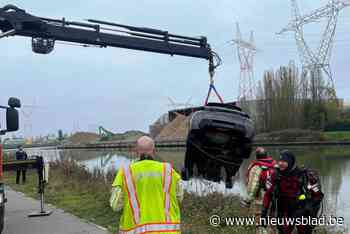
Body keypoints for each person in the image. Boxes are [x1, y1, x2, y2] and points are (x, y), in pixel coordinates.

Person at [110, 136, 183, 234]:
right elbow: (179, 197)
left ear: (136, 151)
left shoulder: (125, 172)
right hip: (168, 230)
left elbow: (116, 205)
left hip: (135, 229)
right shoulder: (168, 170)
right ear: (154, 150)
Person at [261, 150, 323, 234]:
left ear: (290, 162)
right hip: (284, 212)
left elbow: (318, 196)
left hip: (302, 213)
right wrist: (264, 213)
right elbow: (267, 195)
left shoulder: (304, 175)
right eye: (279, 161)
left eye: (284, 161)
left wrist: (307, 208)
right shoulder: (275, 176)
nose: (280, 163)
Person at [241, 147, 276, 234]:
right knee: (272, 223)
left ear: (256, 156)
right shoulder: (275, 165)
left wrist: (247, 201)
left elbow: (253, 187)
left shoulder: (256, 167)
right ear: (267, 155)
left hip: (261, 199)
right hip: (275, 199)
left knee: (260, 224)